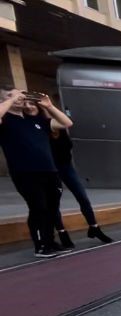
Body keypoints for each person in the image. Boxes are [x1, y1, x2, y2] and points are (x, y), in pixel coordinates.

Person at [0, 89, 72, 257]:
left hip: (49, 171)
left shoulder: (36, 120)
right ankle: (40, 245)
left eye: (20, 94)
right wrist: (10, 100)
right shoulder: (6, 121)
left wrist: (49, 106)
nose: (19, 98)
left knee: (52, 208)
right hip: (25, 173)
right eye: (11, 95)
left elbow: (66, 123)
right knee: (38, 207)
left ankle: (50, 241)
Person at [50, 122, 113, 244]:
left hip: (66, 167)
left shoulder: (62, 128)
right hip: (51, 169)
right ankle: (62, 233)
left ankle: (94, 227)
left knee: (82, 197)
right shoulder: (41, 128)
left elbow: (67, 144)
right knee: (54, 202)